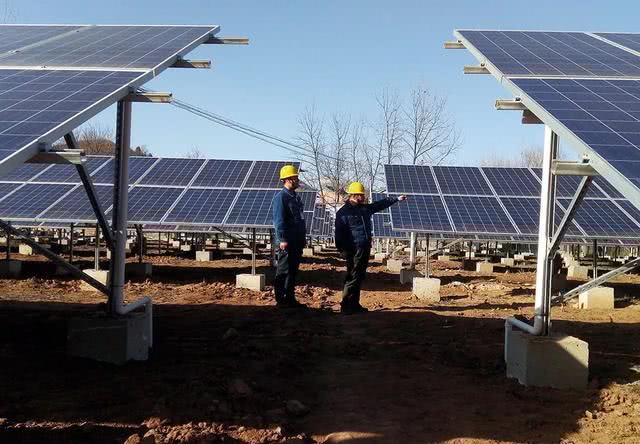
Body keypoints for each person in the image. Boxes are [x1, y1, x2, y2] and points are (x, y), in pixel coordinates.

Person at [335, 182, 407, 314]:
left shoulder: (364, 209)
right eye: (361, 195)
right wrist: (342, 249)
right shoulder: (343, 213)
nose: (363, 197)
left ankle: (354, 304)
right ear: (354, 195)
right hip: (353, 249)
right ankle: (346, 306)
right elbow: (339, 233)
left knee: (359, 276)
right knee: (352, 276)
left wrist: (396, 199)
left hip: (364, 247)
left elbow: (379, 205)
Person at [271, 164, 307, 308]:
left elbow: (300, 219)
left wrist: (302, 237)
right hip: (287, 241)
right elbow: (278, 220)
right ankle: (281, 300)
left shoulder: (295, 198)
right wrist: (282, 239)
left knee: (292, 271)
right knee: (284, 270)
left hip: (297, 240)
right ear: (288, 179)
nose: (298, 180)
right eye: (295, 177)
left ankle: (290, 298)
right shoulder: (281, 198)